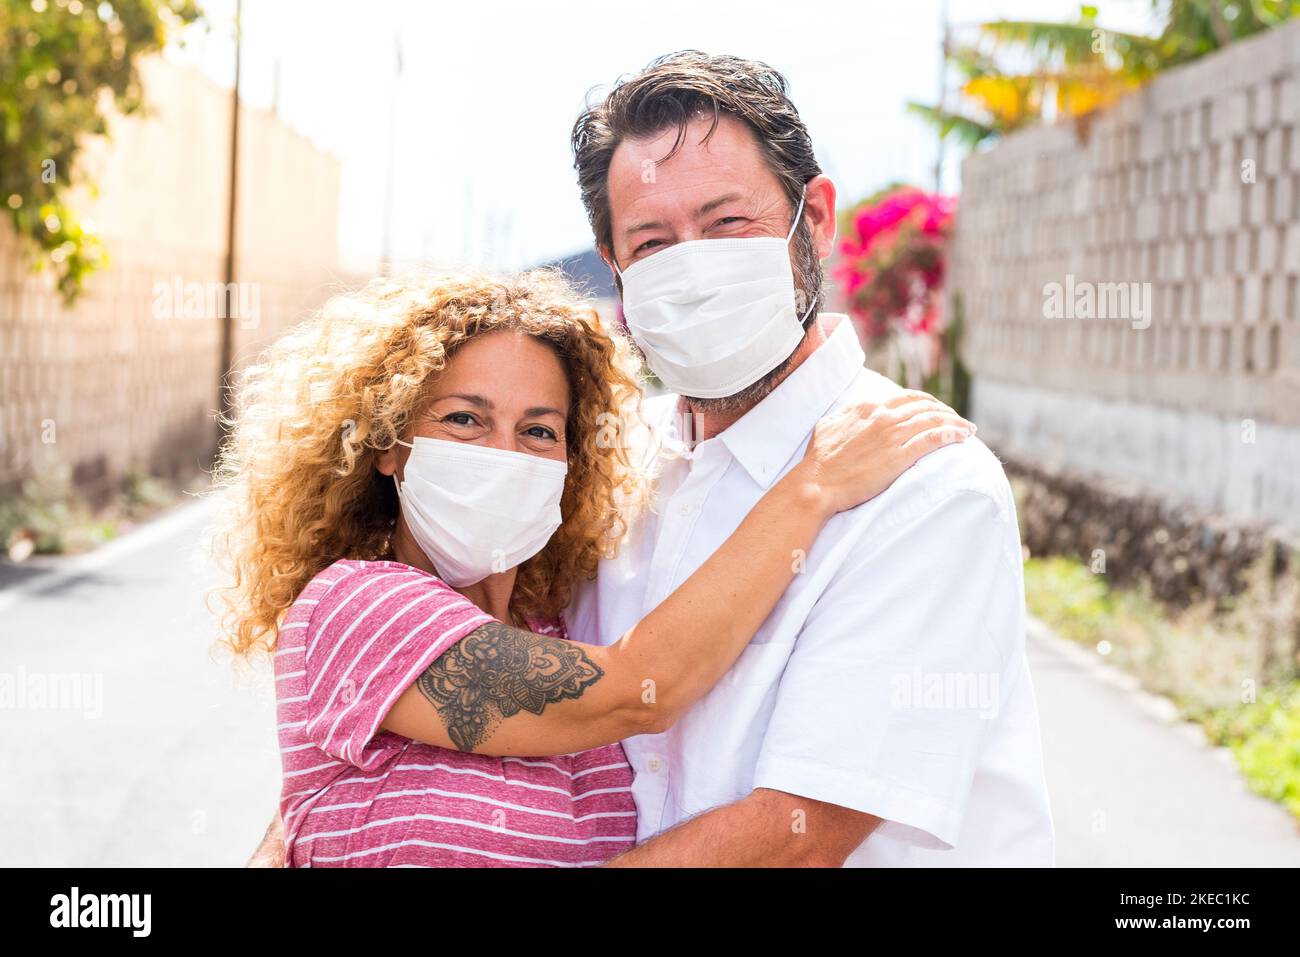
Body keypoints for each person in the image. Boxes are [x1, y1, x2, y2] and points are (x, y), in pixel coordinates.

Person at [217, 268, 971, 867]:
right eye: (464, 418)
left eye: (538, 429)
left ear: (570, 464)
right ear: (388, 445)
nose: (503, 453)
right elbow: (643, 689)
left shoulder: (561, 622)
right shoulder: (357, 603)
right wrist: (813, 485)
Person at [557, 50, 1056, 866]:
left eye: (728, 224)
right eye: (651, 243)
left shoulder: (922, 486)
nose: (693, 267)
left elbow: (795, 837)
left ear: (815, 219)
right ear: (612, 266)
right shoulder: (604, 466)